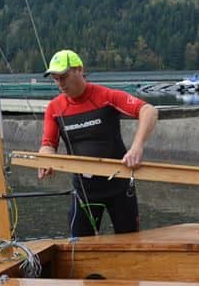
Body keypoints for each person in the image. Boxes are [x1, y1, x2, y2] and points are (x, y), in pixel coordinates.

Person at [37, 49, 158, 237]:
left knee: (131, 245)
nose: (60, 83)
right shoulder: (54, 107)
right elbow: (48, 144)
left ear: (79, 70)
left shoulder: (105, 97)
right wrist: (46, 160)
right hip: (84, 191)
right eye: (55, 78)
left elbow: (149, 110)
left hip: (119, 186)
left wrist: (137, 147)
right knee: (77, 248)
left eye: (63, 76)